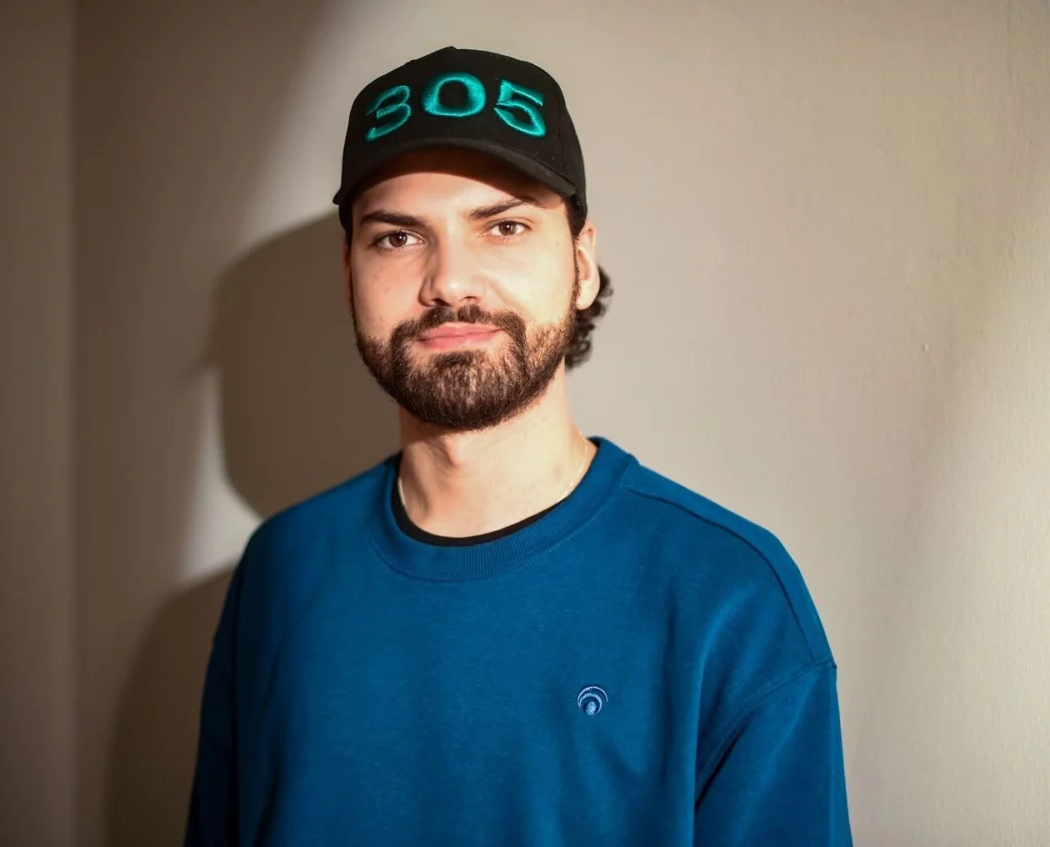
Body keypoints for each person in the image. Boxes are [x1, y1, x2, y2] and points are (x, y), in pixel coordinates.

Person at [185, 46, 852, 846]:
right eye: (397, 237)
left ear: (581, 263)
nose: (450, 281)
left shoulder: (730, 601)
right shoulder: (279, 568)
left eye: (504, 226)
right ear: (349, 274)